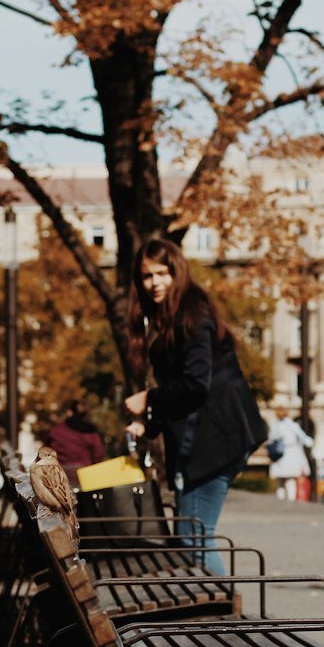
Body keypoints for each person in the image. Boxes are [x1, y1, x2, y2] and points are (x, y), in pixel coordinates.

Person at [123, 237, 268, 573]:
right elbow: (182, 391)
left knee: (195, 539)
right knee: (189, 538)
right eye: (147, 276)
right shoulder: (170, 315)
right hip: (205, 435)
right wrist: (150, 422)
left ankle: (225, 621)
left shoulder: (192, 311)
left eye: (162, 273)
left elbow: (196, 383)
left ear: (177, 272)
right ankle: (212, 617)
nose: (155, 283)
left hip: (218, 436)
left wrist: (147, 400)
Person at [43, 398, 106, 484]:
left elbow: (45, 454)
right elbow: (98, 456)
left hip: (60, 479)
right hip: (85, 479)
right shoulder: (90, 433)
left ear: (70, 412)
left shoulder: (56, 431)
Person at [266, 405, 314, 500]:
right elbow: (302, 437)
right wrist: (310, 442)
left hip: (279, 455)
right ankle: (291, 502)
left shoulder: (274, 425)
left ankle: (280, 502)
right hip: (291, 453)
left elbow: (271, 439)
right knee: (290, 480)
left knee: (280, 481)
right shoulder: (291, 424)